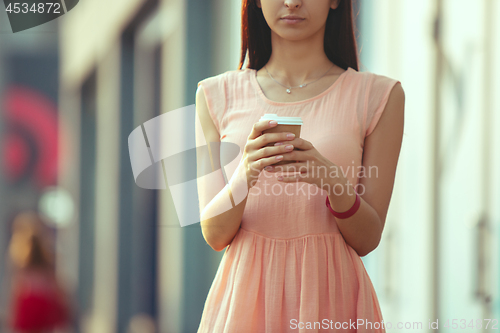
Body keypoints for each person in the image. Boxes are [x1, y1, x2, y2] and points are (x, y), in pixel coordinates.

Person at [195, 0, 405, 332]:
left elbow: (368, 239)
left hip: (332, 302)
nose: (292, 2)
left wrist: (333, 182)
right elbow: (215, 234)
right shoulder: (215, 95)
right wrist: (246, 172)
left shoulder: (379, 96)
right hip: (244, 308)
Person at [6, 211, 72, 333]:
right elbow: (57, 287)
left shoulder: (21, 260)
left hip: (29, 304)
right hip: (44, 304)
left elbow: (18, 288)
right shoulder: (47, 260)